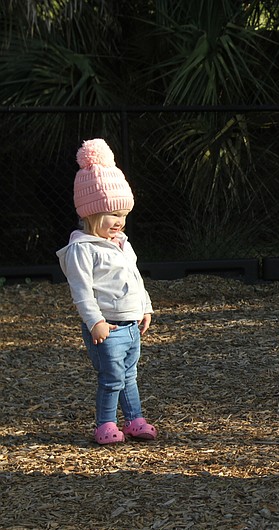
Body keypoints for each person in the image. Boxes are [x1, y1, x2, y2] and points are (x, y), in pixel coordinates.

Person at [57, 138, 158, 446]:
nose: (119, 222)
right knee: (111, 377)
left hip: (130, 326)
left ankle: (135, 419)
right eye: (112, 215)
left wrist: (145, 306)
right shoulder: (83, 249)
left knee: (130, 375)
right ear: (90, 214)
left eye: (123, 215)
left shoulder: (121, 243)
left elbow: (134, 276)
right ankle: (105, 424)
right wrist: (94, 322)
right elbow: (82, 291)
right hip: (108, 327)